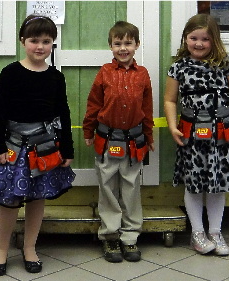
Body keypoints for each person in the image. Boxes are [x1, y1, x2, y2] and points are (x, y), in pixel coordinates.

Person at [0, 14, 75, 276]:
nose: (40, 46)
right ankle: (1, 249)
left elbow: (62, 114)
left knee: (37, 198)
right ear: (23, 41)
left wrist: (67, 149)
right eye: (34, 40)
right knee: (9, 201)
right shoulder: (10, 73)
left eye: (46, 41)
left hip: (45, 148)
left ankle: (30, 247)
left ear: (53, 43)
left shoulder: (56, 77)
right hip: (13, 148)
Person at [164, 14, 229, 256]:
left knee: (217, 185)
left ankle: (215, 231)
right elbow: (170, 100)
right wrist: (172, 126)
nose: (198, 43)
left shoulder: (226, 64)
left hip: (222, 138)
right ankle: (197, 233)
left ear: (215, 40)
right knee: (193, 185)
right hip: (192, 138)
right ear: (185, 38)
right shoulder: (178, 67)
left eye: (205, 39)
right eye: (193, 38)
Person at [83, 21, 154, 263]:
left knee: (131, 188)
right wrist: (88, 130)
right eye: (118, 43)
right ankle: (110, 235)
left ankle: (130, 237)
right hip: (106, 140)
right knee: (108, 188)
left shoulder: (143, 74)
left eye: (128, 43)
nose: (123, 48)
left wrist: (149, 136)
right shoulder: (104, 72)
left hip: (134, 142)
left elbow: (147, 108)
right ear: (110, 46)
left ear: (136, 45)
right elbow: (94, 103)